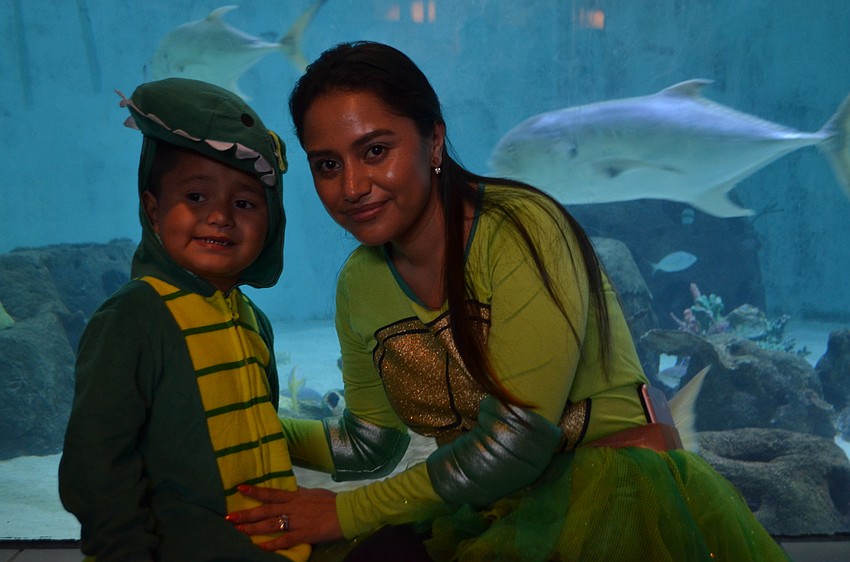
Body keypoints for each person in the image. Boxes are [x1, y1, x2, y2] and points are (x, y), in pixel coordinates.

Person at [227, 42, 791, 561]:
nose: (352, 187)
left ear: (434, 141)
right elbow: (368, 445)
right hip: (485, 510)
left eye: (375, 150)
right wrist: (244, 425)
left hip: (616, 505)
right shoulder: (359, 283)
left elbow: (517, 441)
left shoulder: (523, 230)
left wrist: (346, 512)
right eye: (328, 164)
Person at [58, 78, 311, 562]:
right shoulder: (132, 318)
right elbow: (97, 462)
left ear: (272, 222)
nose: (220, 216)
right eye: (196, 196)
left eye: (244, 203)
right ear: (153, 210)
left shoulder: (254, 321)